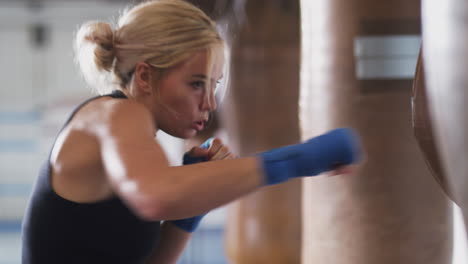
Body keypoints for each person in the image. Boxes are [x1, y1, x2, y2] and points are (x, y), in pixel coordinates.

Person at [21, 0, 362, 263]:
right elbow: (156, 197)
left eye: (215, 85)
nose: (211, 103)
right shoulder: (114, 115)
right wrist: (301, 159)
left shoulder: (132, 140)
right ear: (144, 77)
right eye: (196, 84)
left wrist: (190, 212)